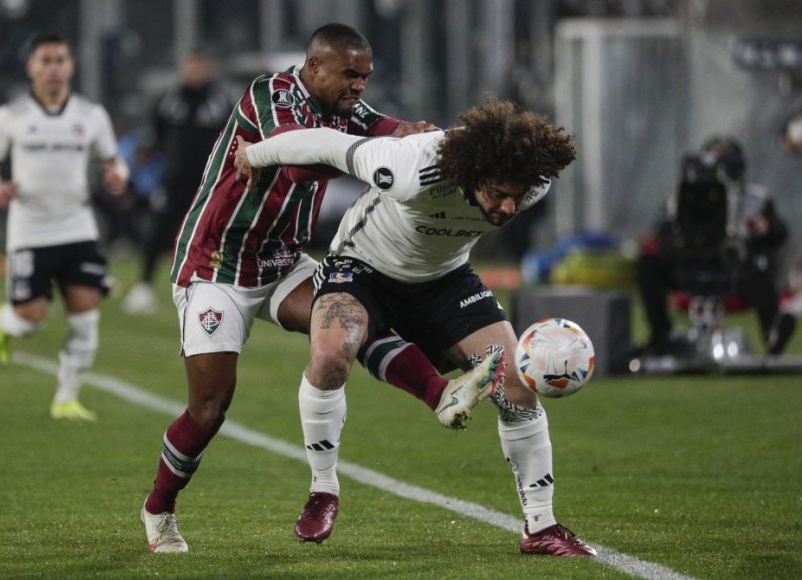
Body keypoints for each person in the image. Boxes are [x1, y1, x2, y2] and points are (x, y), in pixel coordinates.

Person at [139, 23, 501, 554]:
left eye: (365, 77)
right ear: (314, 69)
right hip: (216, 264)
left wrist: (420, 138)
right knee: (211, 408)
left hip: (281, 260)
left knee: (348, 322)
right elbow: (299, 154)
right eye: (349, 74)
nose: (359, 86)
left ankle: (441, 394)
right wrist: (371, 149)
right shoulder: (272, 93)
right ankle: (159, 508)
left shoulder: (345, 111)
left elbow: (388, 128)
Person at [236, 98, 596, 557]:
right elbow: (326, 144)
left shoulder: (534, 182)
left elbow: (514, 192)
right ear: (472, 173)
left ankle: (541, 526)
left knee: (517, 386)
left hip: (444, 278)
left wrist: (512, 194)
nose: (508, 207)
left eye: (517, 196)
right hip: (361, 267)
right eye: (499, 193)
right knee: (329, 358)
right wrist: (255, 154)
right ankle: (323, 489)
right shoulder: (411, 167)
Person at [0, 33, 129, 421]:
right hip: (30, 229)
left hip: (77, 226)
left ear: (71, 66)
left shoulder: (91, 116)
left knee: (86, 320)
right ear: (31, 68)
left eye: (61, 59)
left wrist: (118, 177)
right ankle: (5, 322)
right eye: (46, 60)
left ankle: (66, 398)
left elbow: (114, 161)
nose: (54, 67)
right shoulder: (12, 116)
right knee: (30, 320)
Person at [635, 137, 795, 355]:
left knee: (759, 267)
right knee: (648, 264)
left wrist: (764, 228)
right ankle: (661, 337)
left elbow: (779, 233)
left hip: (735, 270)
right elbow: (663, 235)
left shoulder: (756, 199)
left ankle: (773, 335)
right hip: (690, 266)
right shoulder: (683, 198)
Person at [122, 50, 233, 315]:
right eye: (190, 66)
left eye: (200, 66)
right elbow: (156, 136)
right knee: (158, 228)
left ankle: (220, 287)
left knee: (217, 234)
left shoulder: (221, 100)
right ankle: (144, 287)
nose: (195, 72)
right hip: (174, 180)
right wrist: (147, 158)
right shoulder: (168, 99)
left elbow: (232, 134)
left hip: (210, 181)